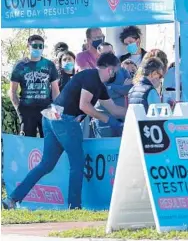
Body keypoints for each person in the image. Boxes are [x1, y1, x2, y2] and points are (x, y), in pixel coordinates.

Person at [2, 53, 127, 210]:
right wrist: (108, 121)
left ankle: (12, 199)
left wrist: (134, 111)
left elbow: (115, 110)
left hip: (50, 115)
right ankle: (74, 206)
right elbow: (85, 106)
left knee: (46, 164)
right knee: (77, 163)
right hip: (64, 118)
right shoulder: (91, 77)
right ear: (110, 70)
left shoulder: (98, 85)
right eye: (117, 70)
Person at [9, 35, 60, 137]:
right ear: (28, 46)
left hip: (47, 110)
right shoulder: (20, 65)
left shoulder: (49, 65)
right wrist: (19, 110)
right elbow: (12, 91)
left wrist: (56, 111)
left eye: (41, 46)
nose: (38, 48)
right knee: (26, 142)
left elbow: (55, 90)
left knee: (49, 141)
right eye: (35, 46)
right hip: (26, 110)